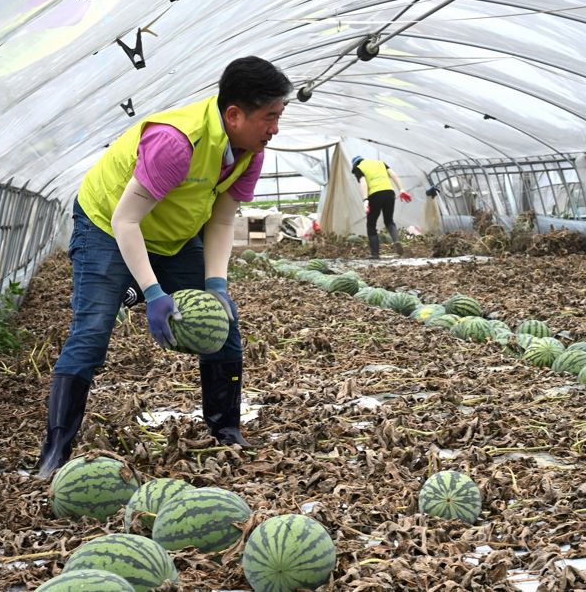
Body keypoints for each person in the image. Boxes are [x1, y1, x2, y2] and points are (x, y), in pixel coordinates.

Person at [38, 56, 293, 478]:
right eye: (269, 117)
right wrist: (156, 295)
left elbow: (224, 217)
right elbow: (126, 220)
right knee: (93, 329)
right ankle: (54, 454)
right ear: (234, 114)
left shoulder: (250, 152)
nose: (275, 129)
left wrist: (216, 283)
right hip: (106, 224)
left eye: (279, 117)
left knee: (223, 326)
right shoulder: (178, 141)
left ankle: (226, 429)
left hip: (172, 236)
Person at [351, 155, 412, 259]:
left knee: (371, 225)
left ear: (355, 164)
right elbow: (393, 174)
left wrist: (365, 199)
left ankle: (375, 254)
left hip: (375, 195)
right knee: (389, 221)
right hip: (389, 192)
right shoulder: (380, 163)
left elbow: (363, 182)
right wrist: (401, 189)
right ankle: (396, 241)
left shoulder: (358, 167)